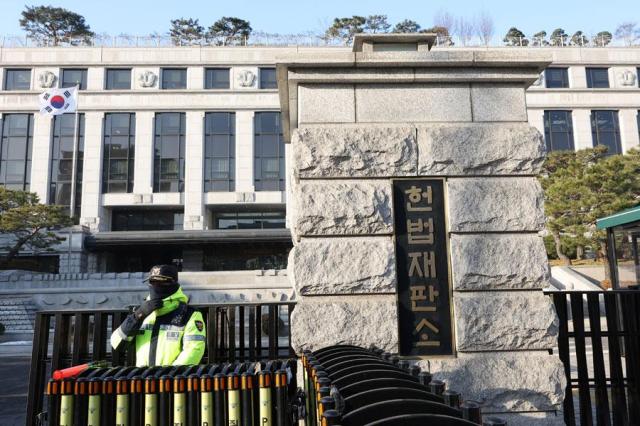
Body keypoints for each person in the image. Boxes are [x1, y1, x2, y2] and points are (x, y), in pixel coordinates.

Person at [110, 264, 206, 366]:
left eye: (161, 281)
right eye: (153, 281)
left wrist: (167, 377)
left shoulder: (190, 315)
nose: (156, 285)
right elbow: (117, 344)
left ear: (173, 283)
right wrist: (137, 316)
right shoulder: (141, 312)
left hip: (171, 379)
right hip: (144, 379)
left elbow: (194, 351)